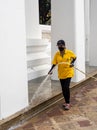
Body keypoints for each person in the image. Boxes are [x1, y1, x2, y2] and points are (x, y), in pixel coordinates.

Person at [48, 40, 76, 110]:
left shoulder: (69, 52)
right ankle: (66, 102)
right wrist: (51, 70)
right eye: (58, 46)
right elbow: (54, 63)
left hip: (68, 72)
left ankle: (68, 103)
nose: (59, 47)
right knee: (63, 89)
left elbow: (75, 57)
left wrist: (72, 63)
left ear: (64, 45)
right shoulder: (57, 54)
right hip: (61, 73)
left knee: (66, 87)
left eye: (60, 45)